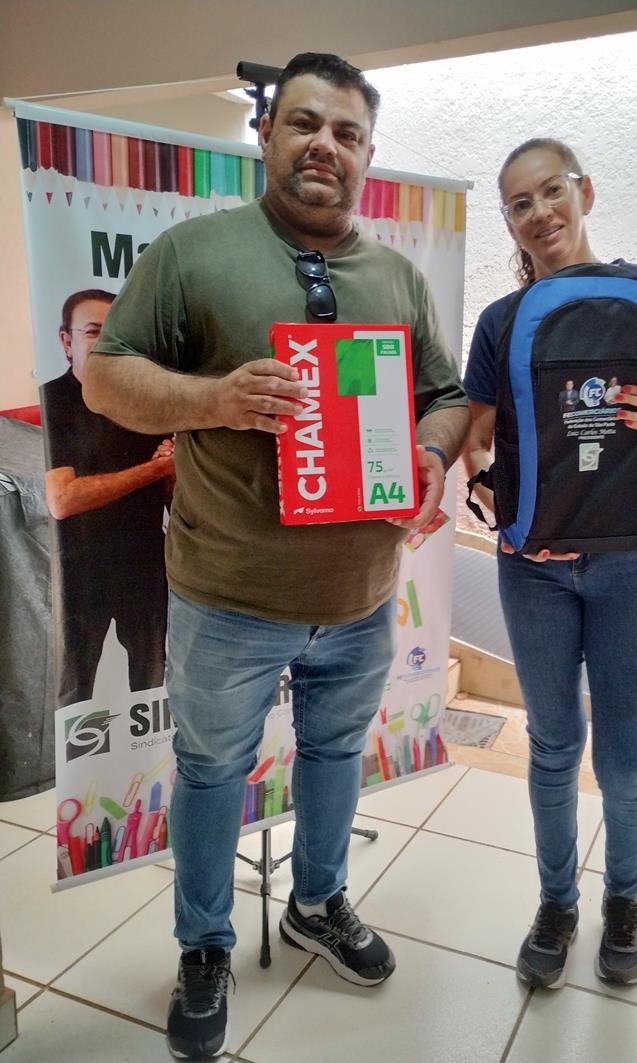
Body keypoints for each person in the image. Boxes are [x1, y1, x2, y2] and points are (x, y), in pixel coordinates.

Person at [83, 53, 469, 1060]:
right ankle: (204, 945)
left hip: (360, 592)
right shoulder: (194, 253)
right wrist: (212, 399)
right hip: (229, 593)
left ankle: (317, 901)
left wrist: (431, 453)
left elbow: (447, 393)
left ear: (367, 154)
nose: (323, 146)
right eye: (304, 124)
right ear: (266, 135)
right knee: (212, 769)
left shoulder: (395, 276)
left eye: (346, 133)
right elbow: (106, 380)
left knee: (336, 755)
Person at [463, 138, 637, 991]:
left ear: (586, 191)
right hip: (533, 565)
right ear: (509, 222)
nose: (539, 213)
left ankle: (625, 901)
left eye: (551, 191)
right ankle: (557, 902)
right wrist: (486, 491)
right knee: (552, 744)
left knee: (626, 758)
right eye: (519, 204)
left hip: (635, 560)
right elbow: (477, 438)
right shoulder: (501, 321)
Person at [40, 289, 174, 708]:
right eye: (94, 331)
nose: (107, 341)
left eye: (115, 331)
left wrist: (177, 467)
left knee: (152, 686)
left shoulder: (146, 402)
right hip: (79, 574)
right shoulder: (52, 401)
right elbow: (62, 499)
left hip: (146, 568)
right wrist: (155, 469)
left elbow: (174, 500)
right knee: (74, 692)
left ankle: (151, 752)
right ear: (66, 341)